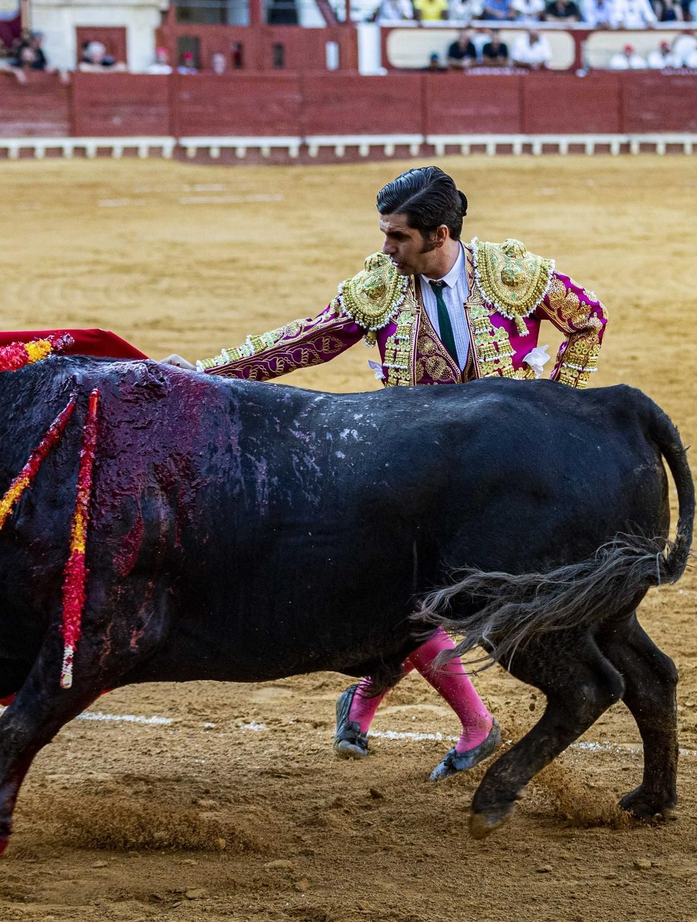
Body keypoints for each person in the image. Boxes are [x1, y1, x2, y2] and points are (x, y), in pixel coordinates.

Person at [167, 166, 607, 781]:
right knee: (415, 594)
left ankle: (369, 700)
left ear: (439, 234)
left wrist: (555, 408)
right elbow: (305, 341)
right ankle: (466, 721)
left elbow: (589, 321)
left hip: (497, 477)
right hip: (418, 471)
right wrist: (206, 376)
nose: (385, 248)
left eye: (397, 237)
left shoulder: (511, 276)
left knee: (437, 597)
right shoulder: (380, 287)